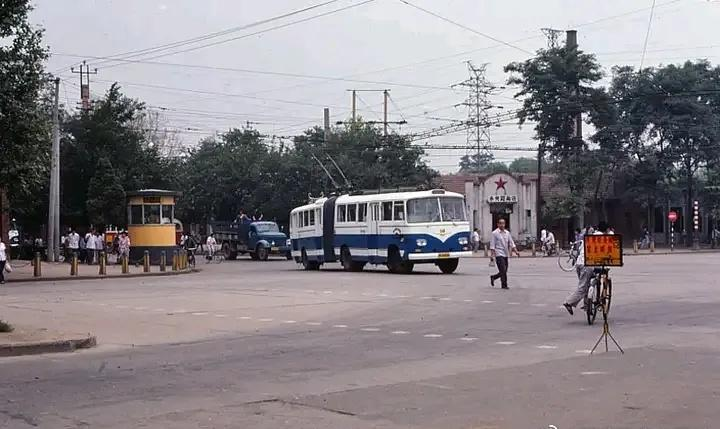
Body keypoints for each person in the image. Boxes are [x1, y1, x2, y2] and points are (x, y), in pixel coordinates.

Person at [563, 221, 613, 315]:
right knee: (583, 288)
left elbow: (581, 250)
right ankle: (568, 302)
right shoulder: (603, 238)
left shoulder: (589, 237)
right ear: (606, 230)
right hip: (587, 264)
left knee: (586, 284)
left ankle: (587, 306)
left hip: (579, 263)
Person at [489, 218, 520, 289]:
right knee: (503, 269)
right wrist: (492, 255)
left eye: (503, 223)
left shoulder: (507, 233)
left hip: (505, 253)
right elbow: (492, 245)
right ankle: (504, 285)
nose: (502, 225)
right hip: (498, 253)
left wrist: (516, 251)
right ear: (498, 224)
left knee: (505, 270)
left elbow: (511, 243)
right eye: (500, 223)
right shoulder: (494, 233)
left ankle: (494, 277)